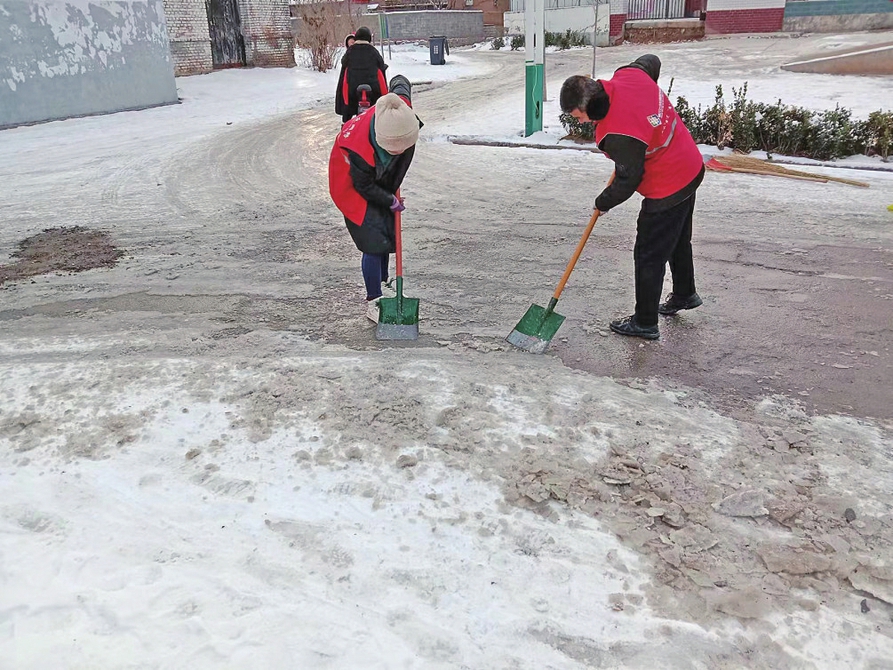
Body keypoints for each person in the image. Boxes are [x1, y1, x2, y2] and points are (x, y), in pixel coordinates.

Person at [560, 55, 705, 341]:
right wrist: (648, 108)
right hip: (690, 166)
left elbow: (629, 179)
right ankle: (685, 293)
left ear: (587, 106)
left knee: (648, 254)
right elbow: (652, 60)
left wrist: (603, 202)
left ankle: (645, 322)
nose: (579, 122)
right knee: (676, 239)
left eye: (577, 116)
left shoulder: (617, 133)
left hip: (669, 185)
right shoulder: (630, 75)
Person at [328, 75, 423, 322]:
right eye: (395, 150)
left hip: (377, 178)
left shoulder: (398, 110)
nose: (401, 152)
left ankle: (384, 283)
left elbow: (401, 86)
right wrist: (389, 199)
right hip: (351, 187)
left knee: (387, 232)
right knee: (373, 240)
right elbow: (363, 185)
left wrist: (400, 79)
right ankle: (374, 300)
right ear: (383, 141)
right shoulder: (357, 148)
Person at [335, 27, 388, 124]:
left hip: (352, 91)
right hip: (373, 90)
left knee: (350, 105)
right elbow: (381, 64)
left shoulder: (350, 51)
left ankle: (347, 124)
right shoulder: (372, 51)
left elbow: (344, 62)